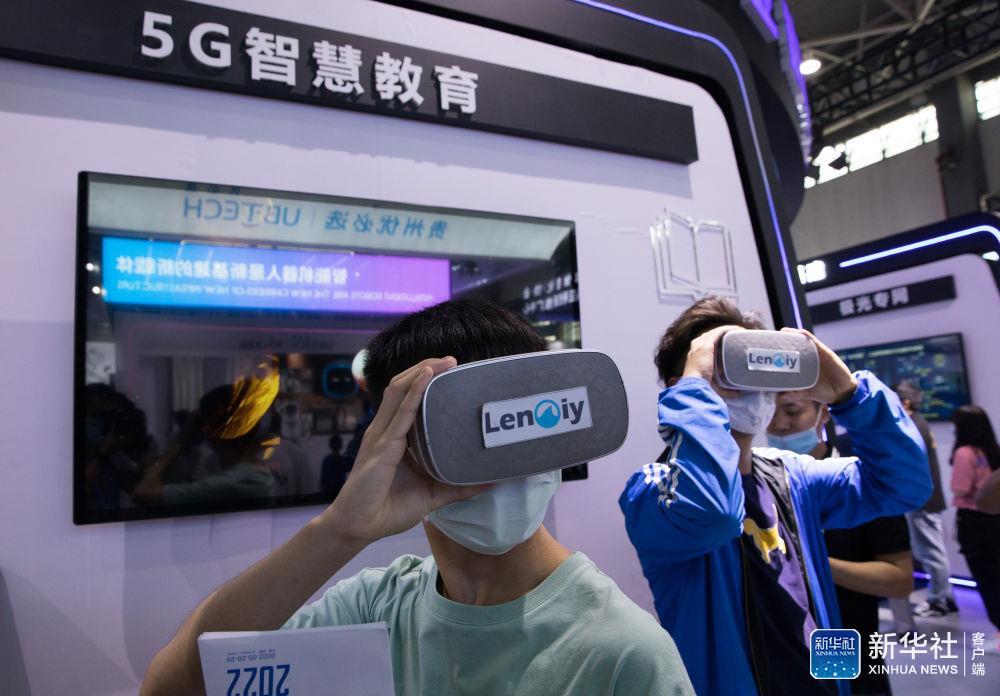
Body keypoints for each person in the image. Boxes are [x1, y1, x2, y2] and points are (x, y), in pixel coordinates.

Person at [141, 299, 694, 696]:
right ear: (397, 440)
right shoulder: (376, 608)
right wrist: (342, 530)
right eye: (458, 433)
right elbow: (177, 688)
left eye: (511, 426)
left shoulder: (626, 651)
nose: (494, 462)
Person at [620, 296, 931, 696]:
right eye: (725, 369)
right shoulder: (653, 492)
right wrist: (695, 385)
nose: (747, 386)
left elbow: (904, 486)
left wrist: (848, 394)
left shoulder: (791, 475)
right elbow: (713, 514)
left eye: (751, 367)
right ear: (684, 385)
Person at [767, 393, 912, 696]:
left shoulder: (858, 483)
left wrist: (812, 561)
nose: (779, 424)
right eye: (769, 411)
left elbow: (899, 580)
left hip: (842, 636)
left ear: (823, 413)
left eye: (792, 411)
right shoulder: (760, 484)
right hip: (777, 644)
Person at [886, 382, 957, 619]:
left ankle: (939, 600)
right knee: (933, 551)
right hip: (926, 498)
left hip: (921, 501)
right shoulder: (920, 423)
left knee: (931, 553)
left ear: (905, 403)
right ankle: (945, 597)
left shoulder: (910, 426)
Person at [949, 404, 1000, 652]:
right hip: (994, 522)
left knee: (988, 580)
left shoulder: (964, 454)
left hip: (974, 523)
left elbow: (960, 489)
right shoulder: (992, 450)